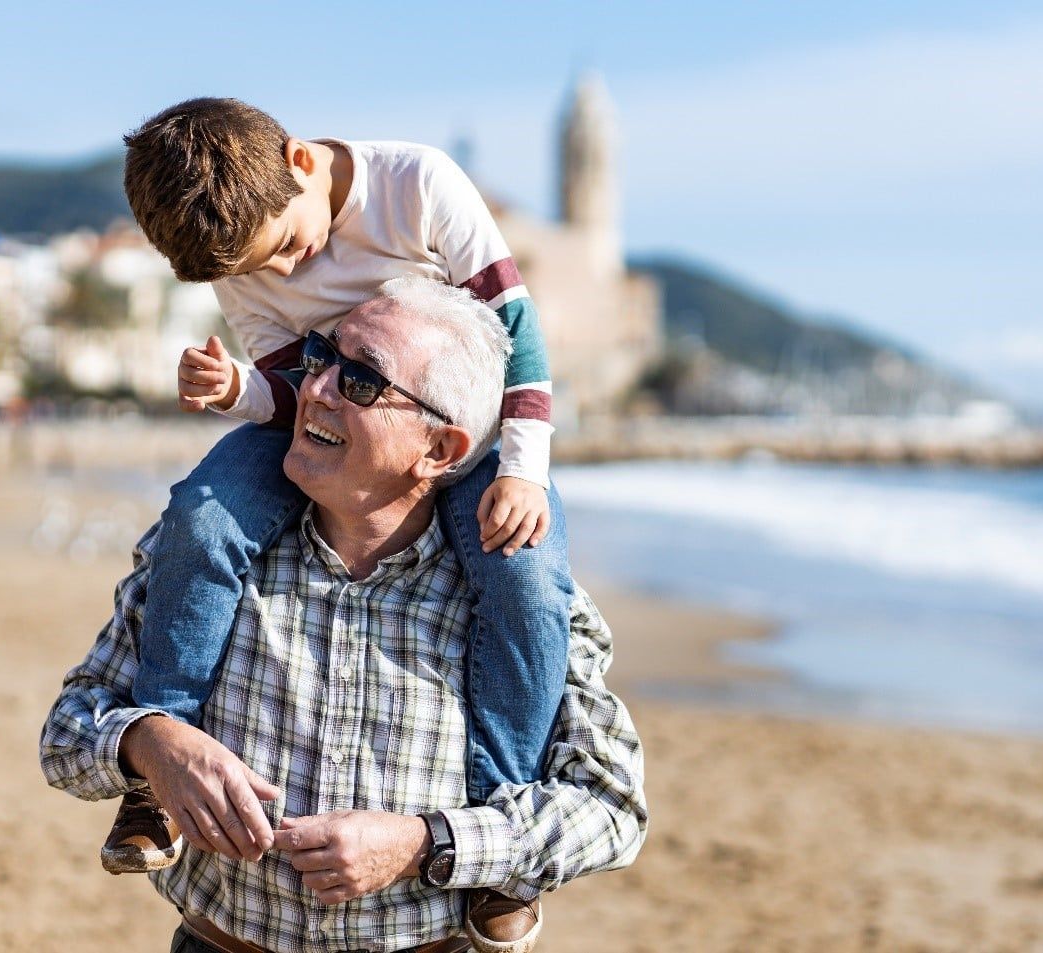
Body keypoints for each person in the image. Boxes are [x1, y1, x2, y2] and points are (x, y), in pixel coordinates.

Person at [41, 279, 646, 953]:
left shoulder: (517, 600)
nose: (316, 388)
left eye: (359, 380)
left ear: (440, 449)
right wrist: (153, 747)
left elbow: (609, 807)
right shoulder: (204, 557)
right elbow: (67, 732)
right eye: (322, 356)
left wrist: (427, 844)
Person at [111, 98, 574, 949]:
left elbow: (520, 334)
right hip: (321, 424)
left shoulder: (418, 184)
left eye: (289, 244)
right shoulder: (240, 255)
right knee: (201, 521)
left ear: (299, 160)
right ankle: (158, 771)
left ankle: (500, 850)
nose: (287, 273)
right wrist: (239, 393)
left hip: (457, 425)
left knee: (526, 577)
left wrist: (521, 471)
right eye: (267, 268)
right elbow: (294, 388)